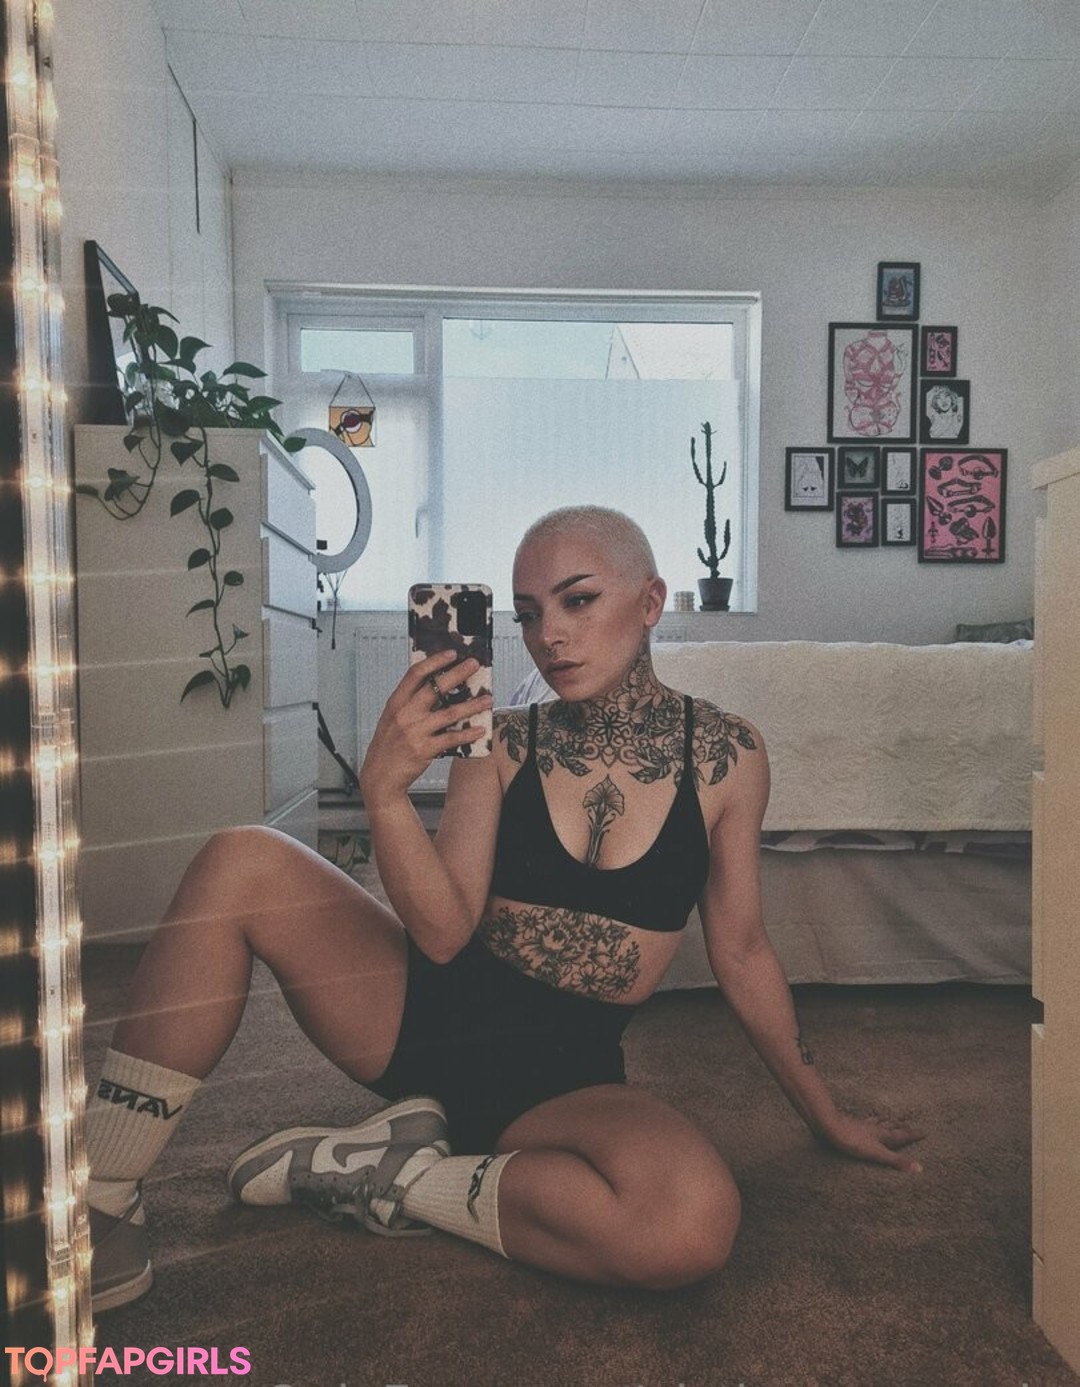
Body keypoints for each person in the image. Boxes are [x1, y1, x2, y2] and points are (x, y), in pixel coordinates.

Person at [87, 505, 924, 1313]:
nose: (548, 634)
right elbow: (442, 931)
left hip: (562, 1078)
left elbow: (742, 951)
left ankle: (397, 1173)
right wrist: (383, 792)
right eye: (527, 613)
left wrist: (826, 1113)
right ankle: (98, 1199)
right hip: (417, 1020)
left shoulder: (727, 756)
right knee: (240, 857)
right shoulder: (503, 742)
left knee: (689, 1223)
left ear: (650, 602)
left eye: (578, 600)